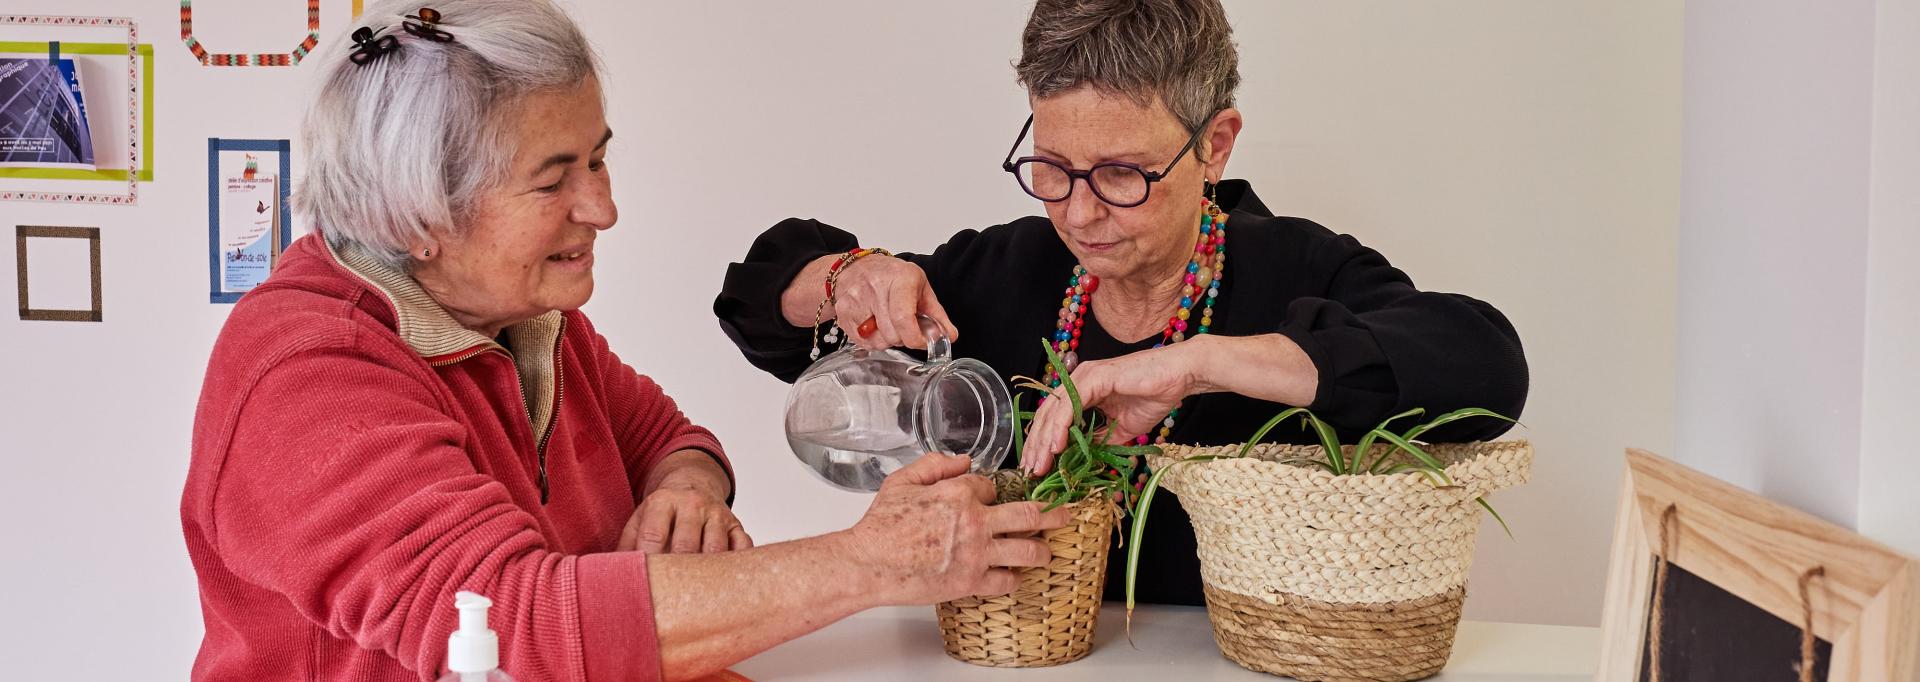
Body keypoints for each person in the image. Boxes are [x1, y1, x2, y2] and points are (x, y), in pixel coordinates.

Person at [180, 1, 1067, 679]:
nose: (603, 209)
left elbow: (669, 435)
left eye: (597, 160)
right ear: (418, 216)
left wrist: (684, 487)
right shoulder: (306, 377)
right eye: (552, 181)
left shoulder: (530, 322)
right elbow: (511, 626)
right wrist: (873, 563)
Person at [715, 0, 1529, 607]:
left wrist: (1202, 364)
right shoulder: (1005, 270)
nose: (1078, 213)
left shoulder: (1297, 270)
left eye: (1120, 174)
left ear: (1215, 144)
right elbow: (757, 307)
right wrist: (843, 279)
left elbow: (1485, 364)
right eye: (1052, 168)